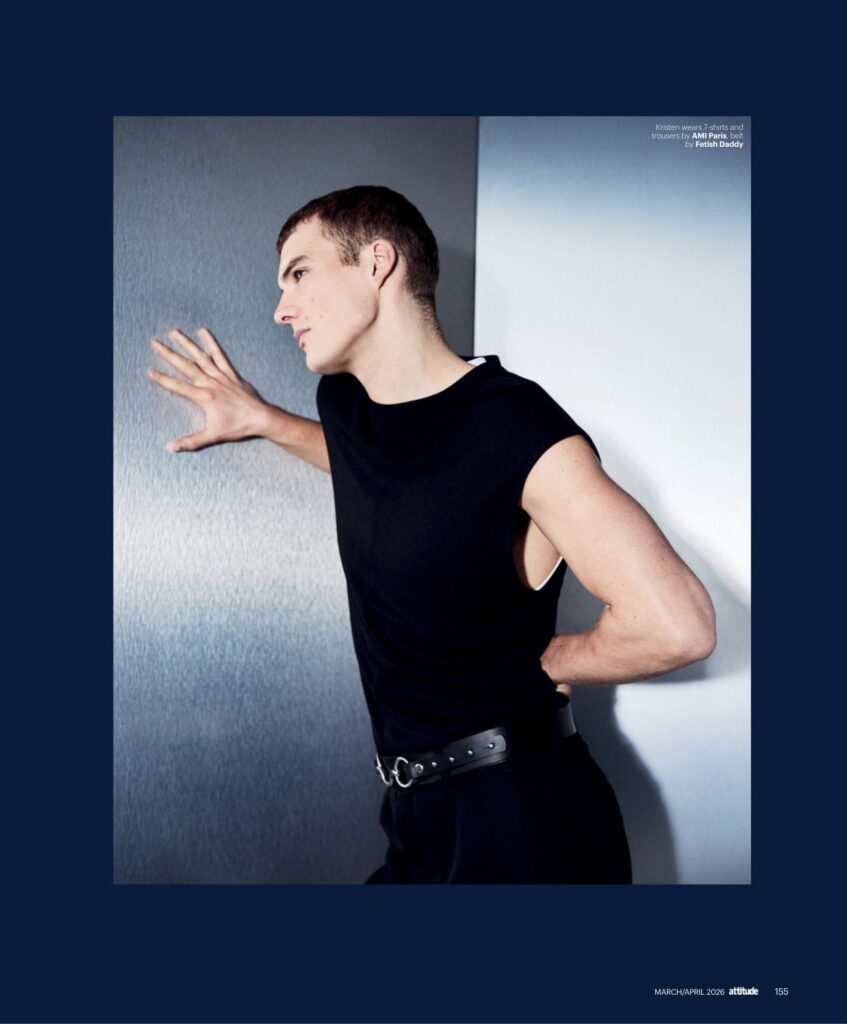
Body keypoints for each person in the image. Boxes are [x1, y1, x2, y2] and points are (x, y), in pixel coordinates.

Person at [148, 185, 716, 884]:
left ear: (378, 263)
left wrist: (548, 663)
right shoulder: (349, 406)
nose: (280, 308)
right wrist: (263, 419)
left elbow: (676, 626)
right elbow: (395, 481)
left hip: (521, 820)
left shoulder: (515, 428)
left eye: (299, 273)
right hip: (417, 817)